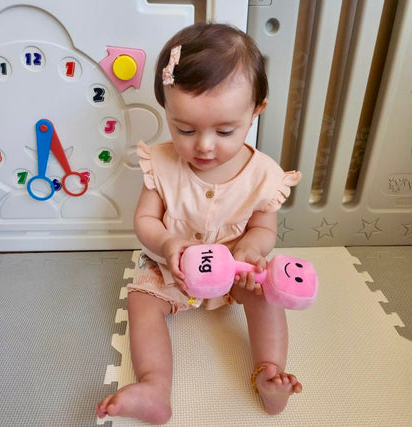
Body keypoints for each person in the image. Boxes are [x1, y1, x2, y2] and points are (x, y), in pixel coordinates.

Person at [96, 22, 302, 424]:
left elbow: (264, 229)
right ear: (168, 111)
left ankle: (269, 372)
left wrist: (250, 250)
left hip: (236, 273)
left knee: (268, 296)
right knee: (141, 300)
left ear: (256, 109)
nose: (203, 146)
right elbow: (145, 219)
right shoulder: (162, 163)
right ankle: (155, 386)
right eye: (184, 129)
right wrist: (170, 244)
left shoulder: (265, 176)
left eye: (225, 130)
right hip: (171, 271)